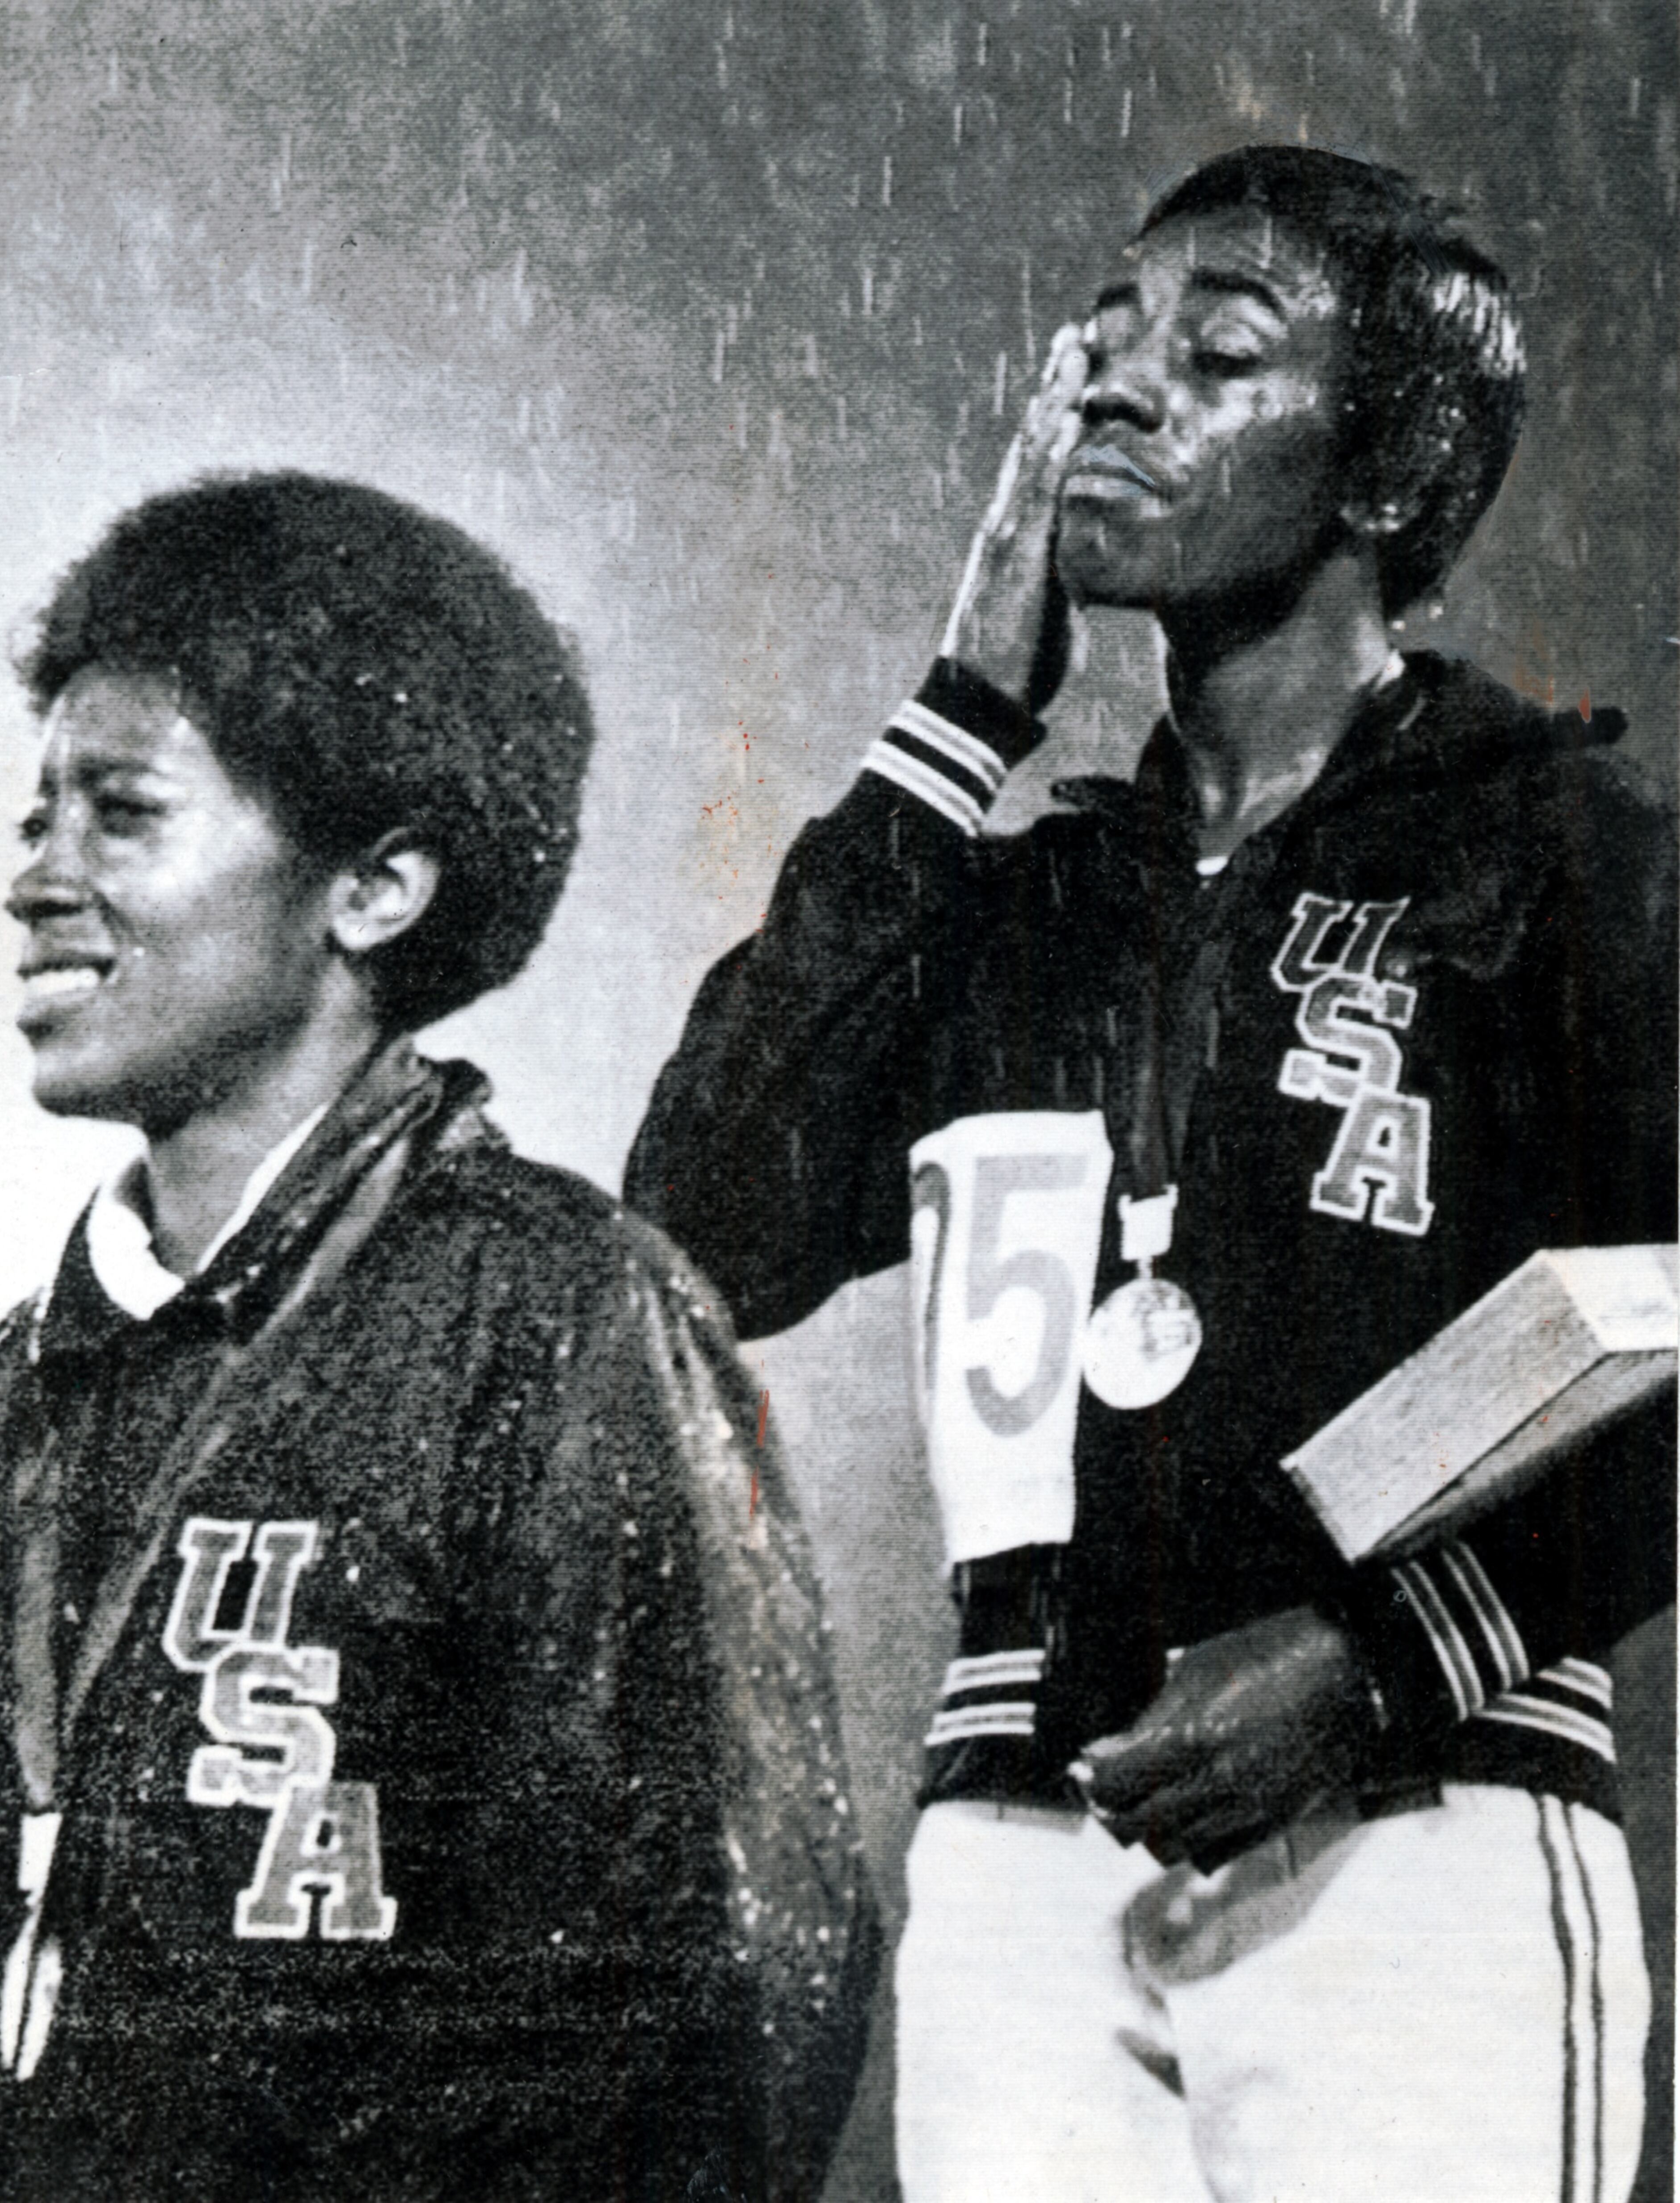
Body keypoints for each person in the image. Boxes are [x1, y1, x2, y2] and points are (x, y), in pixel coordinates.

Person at [627, 147, 1676, 2203]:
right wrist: (957, 712)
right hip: (1019, 1834)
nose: (1114, 388)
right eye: (1101, 342)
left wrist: (1392, 1656)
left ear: (1384, 466)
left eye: (1218, 351)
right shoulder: (1012, 904)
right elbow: (696, 1234)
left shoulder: (1560, 852)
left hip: (1428, 1821)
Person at [0, 472, 878, 2202]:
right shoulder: (2, 1406)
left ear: (374, 887)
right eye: (36, 819)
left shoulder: (563, 1321)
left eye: (123, 814)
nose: (38, 880)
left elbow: (730, 1988)